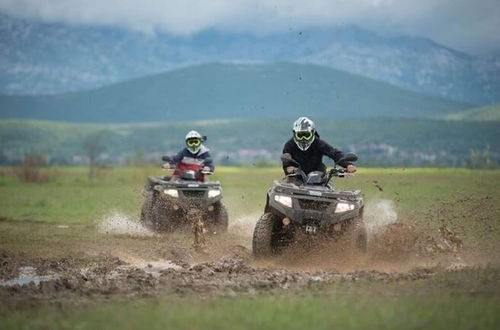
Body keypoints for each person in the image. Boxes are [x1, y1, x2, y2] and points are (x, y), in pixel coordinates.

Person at [282, 117, 356, 179]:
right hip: (296, 178)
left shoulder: (319, 143)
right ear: (295, 134)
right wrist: (290, 169)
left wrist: (348, 165)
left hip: (319, 177)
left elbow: (334, 153)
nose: (303, 138)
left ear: (313, 133)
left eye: (306, 135)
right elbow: (286, 164)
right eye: (300, 135)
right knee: (283, 192)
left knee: (330, 191)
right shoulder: (289, 145)